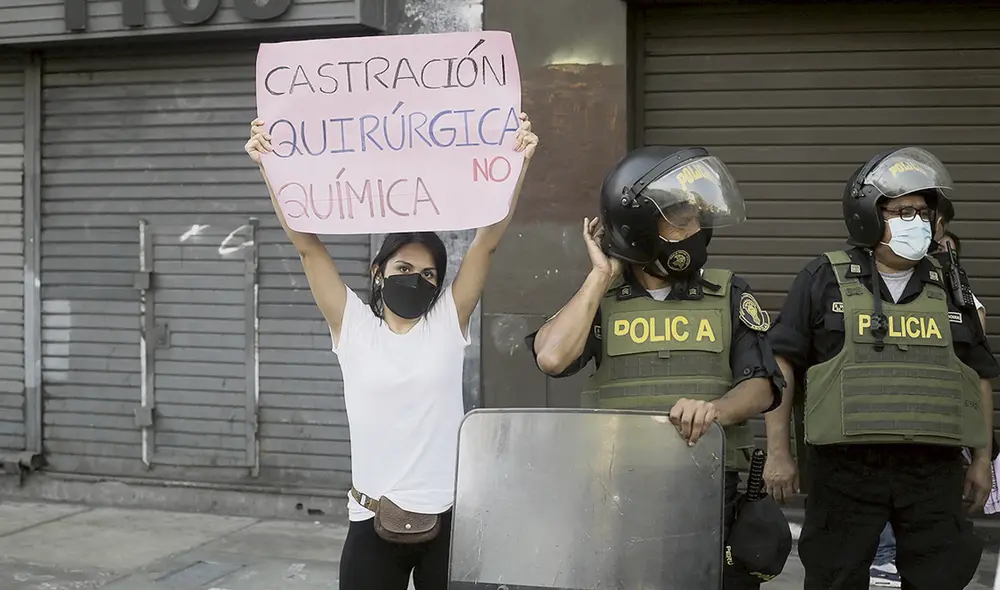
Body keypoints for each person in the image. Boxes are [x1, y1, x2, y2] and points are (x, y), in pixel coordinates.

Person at [244, 114, 539, 590]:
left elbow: (487, 244)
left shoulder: (445, 324)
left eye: (428, 276)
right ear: (379, 272)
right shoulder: (353, 325)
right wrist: (270, 165)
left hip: (447, 521)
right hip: (371, 520)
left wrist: (517, 162)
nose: (416, 280)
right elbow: (307, 247)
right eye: (404, 267)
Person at [526, 146, 788, 589]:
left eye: (697, 220)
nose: (695, 231)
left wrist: (715, 411)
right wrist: (598, 277)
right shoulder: (600, 301)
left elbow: (762, 385)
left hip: (708, 493)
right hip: (620, 497)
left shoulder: (726, 292)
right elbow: (551, 357)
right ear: (641, 229)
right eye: (680, 221)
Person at [761, 146, 997, 590]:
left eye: (924, 212)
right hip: (845, 469)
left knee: (941, 576)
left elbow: (978, 373)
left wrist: (982, 460)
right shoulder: (822, 277)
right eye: (903, 211)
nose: (917, 222)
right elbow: (782, 364)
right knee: (835, 577)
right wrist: (778, 453)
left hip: (933, 469)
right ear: (868, 214)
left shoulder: (950, 286)